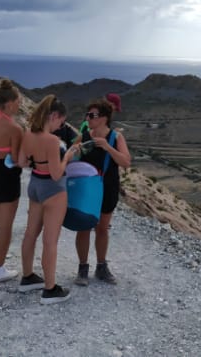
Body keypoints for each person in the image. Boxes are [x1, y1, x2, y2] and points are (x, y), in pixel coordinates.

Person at [16, 94, 78, 304]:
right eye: (61, 120)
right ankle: (50, 289)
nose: (61, 125)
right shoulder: (53, 141)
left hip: (34, 186)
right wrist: (67, 156)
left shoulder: (27, 134)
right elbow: (56, 174)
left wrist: (38, 163)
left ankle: (27, 277)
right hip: (53, 190)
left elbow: (22, 162)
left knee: (30, 233)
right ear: (54, 116)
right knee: (50, 241)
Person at [75, 97, 129, 285]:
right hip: (87, 189)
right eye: (87, 114)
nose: (88, 118)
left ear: (104, 118)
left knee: (102, 229)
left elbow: (126, 162)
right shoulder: (85, 136)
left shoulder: (116, 138)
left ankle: (101, 266)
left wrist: (107, 147)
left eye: (92, 115)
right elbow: (73, 158)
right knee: (83, 227)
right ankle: (82, 268)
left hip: (108, 188)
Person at [0, 80, 24, 282]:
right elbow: (16, 158)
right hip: (6, 177)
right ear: (10, 103)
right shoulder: (15, 128)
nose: (20, 104)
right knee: (5, 226)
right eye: (18, 101)